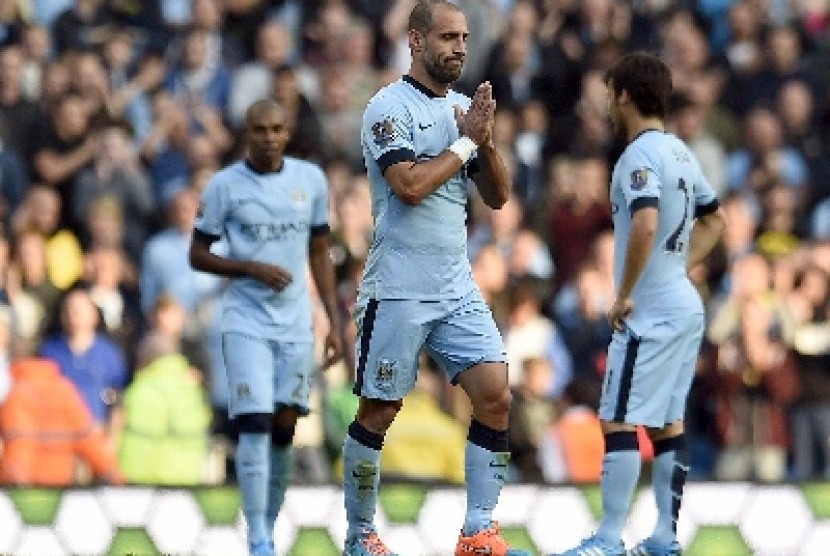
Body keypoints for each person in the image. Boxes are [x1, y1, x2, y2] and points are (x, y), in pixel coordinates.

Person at [341, 3, 528, 556]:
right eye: (448, 37)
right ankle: (358, 537)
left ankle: (477, 531)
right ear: (416, 41)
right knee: (379, 412)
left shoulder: (464, 110)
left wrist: (486, 142)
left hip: (455, 285)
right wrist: (467, 142)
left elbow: (497, 197)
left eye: (465, 37)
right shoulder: (386, 108)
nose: (460, 47)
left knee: (494, 394)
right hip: (397, 286)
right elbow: (410, 185)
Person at [553, 52, 726, 556]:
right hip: (684, 304)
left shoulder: (638, 156)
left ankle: (608, 538)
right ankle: (665, 537)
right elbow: (716, 221)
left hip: (650, 310)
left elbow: (646, 221)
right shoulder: (682, 153)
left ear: (624, 95)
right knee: (668, 421)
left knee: (617, 417)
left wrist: (626, 291)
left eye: (610, 93)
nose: (608, 103)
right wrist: (679, 265)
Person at [189, 98, 343, 556]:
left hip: (295, 323)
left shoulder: (310, 181)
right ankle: (257, 537)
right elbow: (197, 253)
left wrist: (333, 322)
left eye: (277, 129)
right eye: (260, 130)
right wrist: (249, 268)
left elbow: (320, 251)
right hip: (246, 321)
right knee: (253, 421)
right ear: (246, 133)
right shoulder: (224, 187)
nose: (270, 137)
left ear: (287, 132)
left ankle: (267, 529)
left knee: (283, 427)